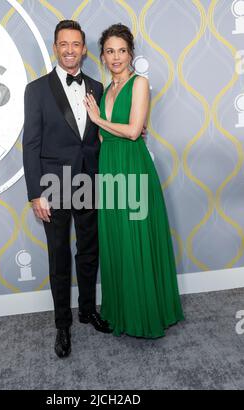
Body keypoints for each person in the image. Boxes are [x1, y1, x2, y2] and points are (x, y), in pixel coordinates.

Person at [84, 24, 184, 338]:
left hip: (133, 165)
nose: (116, 57)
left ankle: (147, 313)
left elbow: (131, 131)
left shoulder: (140, 83)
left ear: (131, 54)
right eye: (110, 51)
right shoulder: (104, 89)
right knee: (117, 239)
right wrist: (103, 125)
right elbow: (103, 137)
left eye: (122, 50)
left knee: (136, 236)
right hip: (110, 165)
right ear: (102, 55)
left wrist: (98, 118)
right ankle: (123, 311)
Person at [23, 20, 111, 359]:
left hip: (89, 180)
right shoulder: (37, 90)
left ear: (84, 49)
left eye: (76, 44)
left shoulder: (97, 87)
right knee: (58, 256)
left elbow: (99, 135)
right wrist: (35, 193)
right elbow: (30, 144)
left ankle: (87, 310)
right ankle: (63, 324)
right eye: (64, 44)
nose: (70, 50)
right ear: (56, 48)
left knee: (89, 251)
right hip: (52, 185)